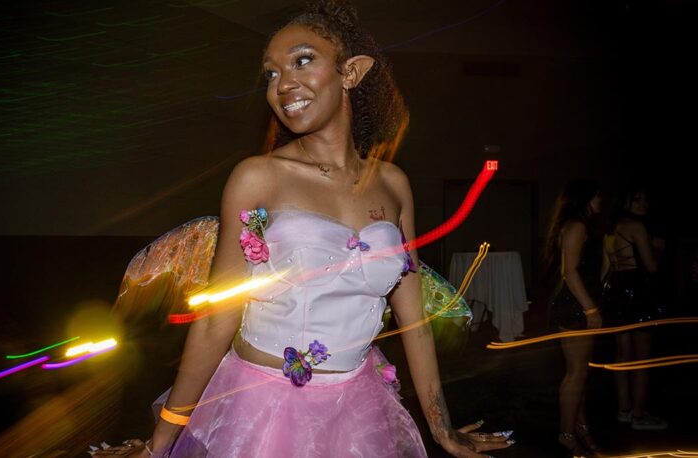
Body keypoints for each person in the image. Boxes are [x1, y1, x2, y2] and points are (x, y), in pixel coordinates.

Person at [96, 2, 512, 457]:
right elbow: (218, 318)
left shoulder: (393, 186)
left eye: (302, 60)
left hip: (358, 414)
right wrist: (161, 441)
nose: (283, 84)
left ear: (351, 72)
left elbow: (413, 320)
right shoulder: (258, 178)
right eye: (271, 73)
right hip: (260, 414)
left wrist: (441, 428)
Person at [544, 180, 603, 456]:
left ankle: (581, 427)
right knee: (576, 373)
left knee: (579, 372)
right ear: (586, 199)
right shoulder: (577, 226)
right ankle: (566, 434)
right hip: (574, 307)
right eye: (597, 195)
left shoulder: (575, 225)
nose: (601, 200)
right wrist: (590, 308)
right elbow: (570, 271)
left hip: (572, 305)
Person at [602, 187, 667, 430]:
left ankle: (625, 410)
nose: (644, 203)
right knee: (642, 358)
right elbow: (650, 266)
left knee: (622, 356)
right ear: (625, 202)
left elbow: (605, 268)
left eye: (645, 198)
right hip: (637, 291)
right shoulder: (637, 228)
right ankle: (638, 416)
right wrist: (658, 249)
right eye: (637, 199)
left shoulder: (609, 230)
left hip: (616, 291)